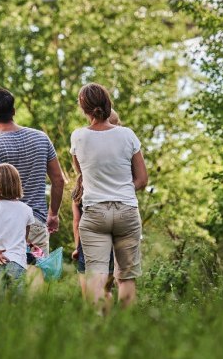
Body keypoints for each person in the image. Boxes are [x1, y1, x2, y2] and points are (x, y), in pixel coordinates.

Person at [70, 84, 148, 309]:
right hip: (126, 211)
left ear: (83, 108)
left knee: (96, 277)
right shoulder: (127, 134)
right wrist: (122, 189)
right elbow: (142, 179)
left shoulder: (78, 137)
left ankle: (99, 325)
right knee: (126, 277)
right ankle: (126, 325)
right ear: (108, 103)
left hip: (94, 213)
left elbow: (81, 174)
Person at [0, 88, 65, 254]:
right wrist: (53, 214)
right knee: (38, 270)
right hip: (36, 222)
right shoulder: (41, 138)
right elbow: (58, 180)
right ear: (13, 111)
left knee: (7, 270)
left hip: (6, 227)